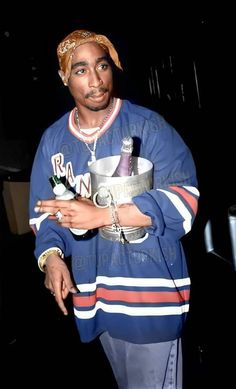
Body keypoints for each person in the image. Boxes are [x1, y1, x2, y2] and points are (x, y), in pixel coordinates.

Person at [29, 29, 199, 389]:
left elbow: (185, 201)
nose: (95, 80)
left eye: (102, 66)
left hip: (149, 297)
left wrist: (103, 214)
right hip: (97, 298)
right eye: (80, 70)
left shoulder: (148, 127)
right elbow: (46, 213)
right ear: (64, 77)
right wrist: (53, 257)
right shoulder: (53, 141)